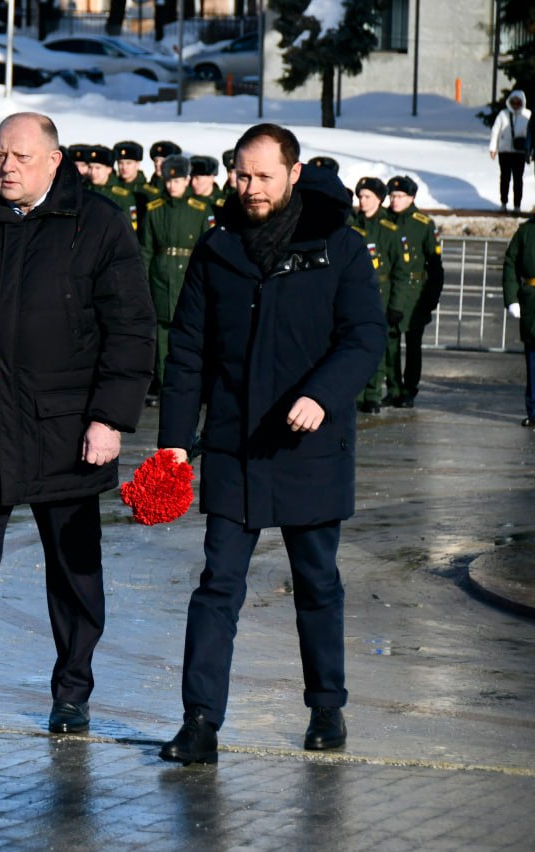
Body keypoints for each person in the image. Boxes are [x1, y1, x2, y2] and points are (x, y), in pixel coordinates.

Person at [0, 112, 155, 742]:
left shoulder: (96, 223)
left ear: (54, 160)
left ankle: (72, 693)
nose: (6, 166)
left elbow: (129, 328)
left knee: (73, 572)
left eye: (20, 156)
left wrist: (109, 418)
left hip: (65, 430)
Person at [157, 123, 386, 765]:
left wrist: (322, 394)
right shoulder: (217, 247)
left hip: (309, 446)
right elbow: (188, 355)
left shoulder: (337, 244)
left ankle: (327, 706)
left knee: (316, 581)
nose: (249, 188)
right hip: (233, 447)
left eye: (262, 176)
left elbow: (365, 335)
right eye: (240, 174)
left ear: (293, 173)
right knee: (217, 585)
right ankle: (200, 721)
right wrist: (174, 443)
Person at [140, 154, 214, 401]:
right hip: (161, 276)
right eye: (169, 181)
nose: (173, 185)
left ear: (186, 181)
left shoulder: (200, 210)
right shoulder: (154, 210)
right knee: (161, 335)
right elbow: (147, 250)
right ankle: (163, 384)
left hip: (187, 276)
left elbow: (208, 250)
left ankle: (189, 384)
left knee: (190, 332)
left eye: (178, 181)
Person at [349, 176, 412, 413]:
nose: (362, 201)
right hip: (355, 294)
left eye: (367, 197)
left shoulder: (390, 231)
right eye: (360, 196)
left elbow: (401, 272)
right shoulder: (352, 226)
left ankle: (373, 394)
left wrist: (396, 305)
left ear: (378, 199)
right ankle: (357, 393)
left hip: (381, 295)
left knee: (376, 347)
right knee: (354, 344)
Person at [384, 175, 443, 408]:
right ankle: (393, 387)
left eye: (400, 196)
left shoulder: (423, 224)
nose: (395, 200)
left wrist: (431, 298)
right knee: (390, 343)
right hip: (391, 290)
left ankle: (409, 388)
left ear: (411, 197)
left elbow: (435, 266)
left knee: (413, 344)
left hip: (415, 292)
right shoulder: (386, 220)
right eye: (392, 196)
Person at [501, 217, 535, 427]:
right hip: (533, 299)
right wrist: (512, 299)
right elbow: (511, 263)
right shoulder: (526, 231)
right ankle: (534, 410)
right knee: (533, 359)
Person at [489, 90, 531, 213]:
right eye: (513, 102)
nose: (516, 105)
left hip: (520, 152)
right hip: (505, 151)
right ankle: (503, 203)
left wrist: (529, 149)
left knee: (518, 179)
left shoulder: (527, 115)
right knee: (505, 178)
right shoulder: (503, 114)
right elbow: (495, 131)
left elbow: (531, 133)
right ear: (509, 102)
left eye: (518, 102)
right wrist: (493, 147)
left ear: (522, 102)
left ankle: (517, 206)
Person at [107, 140, 161, 236]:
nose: (124, 167)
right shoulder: (110, 188)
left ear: (137, 164)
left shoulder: (148, 192)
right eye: (120, 163)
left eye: (128, 163)